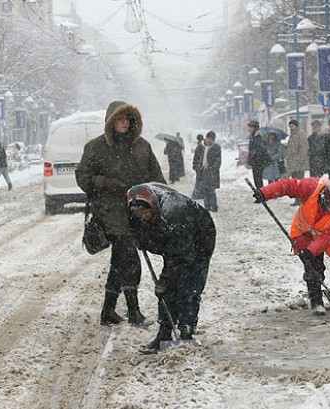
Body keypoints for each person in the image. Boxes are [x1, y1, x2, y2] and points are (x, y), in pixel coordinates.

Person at [75, 100, 166, 326]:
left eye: (127, 119)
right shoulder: (96, 147)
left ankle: (108, 311)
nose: (124, 124)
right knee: (130, 259)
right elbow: (83, 178)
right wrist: (105, 182)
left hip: (136, 212)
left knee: (119, 260)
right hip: (110, 212)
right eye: (119, 120)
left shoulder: (142, 146)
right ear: (110, 122)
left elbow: (156, 177)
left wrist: (161, 200)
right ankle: (133, 311)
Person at [252, 177, 330, 315]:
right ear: (324, 196)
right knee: (313, 268)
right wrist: (265, 193)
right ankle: (316, 302)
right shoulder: (311, 188)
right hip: (307, 233)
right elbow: (288, 185)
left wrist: (312, 250)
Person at [126, 183, 216, 354]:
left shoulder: (176, 213)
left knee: (189, 287)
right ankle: (165, 333)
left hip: (200, 238)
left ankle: (186, 331)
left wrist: (165, 281)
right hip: (175, 239)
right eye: (138, 214)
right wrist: (140, 237)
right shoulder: (134, 205)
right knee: (168, 290)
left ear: (153, 206)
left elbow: (179, 256)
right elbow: (133, 227)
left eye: (145, 212)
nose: (142, 217)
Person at [192, 130, 222, 212]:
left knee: (211, 190)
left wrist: (212, 169)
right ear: (206, 138)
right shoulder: (200, 147)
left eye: (212, 140)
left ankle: (214, 205)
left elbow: (218, 160)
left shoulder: (216, 147)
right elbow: (196, 158)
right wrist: (196, 167)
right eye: (209, 139)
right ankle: (207, 206)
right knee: (204, 189)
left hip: (212, 173)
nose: (210, 141)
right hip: (201, 172)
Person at [286, 119, 309, 205]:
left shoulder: (301, 134)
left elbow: (304, 148)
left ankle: (301, 199)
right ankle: (297, 199)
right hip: (293, 163)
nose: (291, 128)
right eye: (290, 126)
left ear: (296, 125)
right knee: (294, 183)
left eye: (292, 126)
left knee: (299, 182)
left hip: (299, 164)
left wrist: (300, 159)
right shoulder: (292, 135)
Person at [247, 120, 269, 189]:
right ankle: (260, 195)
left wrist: (254, 157)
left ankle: (261, 196)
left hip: (258, 162)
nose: (248, 129)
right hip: (256, 161)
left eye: (250, 127)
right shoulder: (253, 136)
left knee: (258, 180)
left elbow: (259, 149)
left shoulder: (258, 136)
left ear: (254, 128)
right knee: (257, 180)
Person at [191, 134, 205, 200]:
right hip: (203, 167)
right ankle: (201, 194)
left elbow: (196, 157)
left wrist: (195, 166)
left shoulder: (200, 146)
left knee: (199, 181)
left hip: (200, 167)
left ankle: (197, 194)